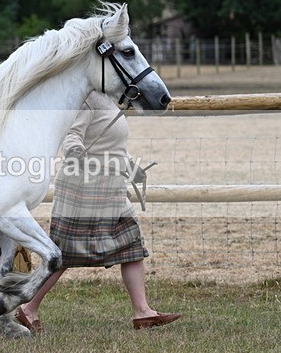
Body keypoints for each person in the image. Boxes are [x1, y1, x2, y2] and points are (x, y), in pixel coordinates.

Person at [14, 91, 181, 332]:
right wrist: (76, 154)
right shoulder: (86, 98)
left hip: (109, 187)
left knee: (131, 245)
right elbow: (71, 134)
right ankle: (28, 308)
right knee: (64, 254)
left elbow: (111, 144)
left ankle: (142, 311)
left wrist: (131, 168)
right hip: (84, 188)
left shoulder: (110, 99)